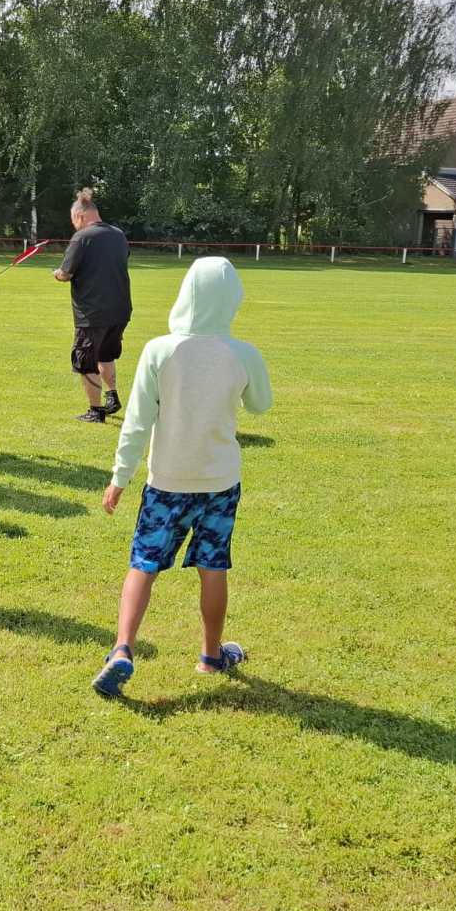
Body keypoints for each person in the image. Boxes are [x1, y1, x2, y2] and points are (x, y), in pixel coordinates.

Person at [90, 257, 272, 698]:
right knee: (214, 566)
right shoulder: (243, 353)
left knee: (143, 564)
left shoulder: (159, 349)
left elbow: (137, 422)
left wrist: (119, 477)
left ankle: (122, 649)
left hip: (166, 482)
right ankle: (210, 655)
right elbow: (260, 405)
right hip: (219, 482)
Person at [52, 188, 131, 423]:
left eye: (73, 220)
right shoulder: (118, 235)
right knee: (106, 354)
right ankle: (112, 396)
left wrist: (57, 274)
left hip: (92, 312)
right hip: (120, 308)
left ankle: (95, 411)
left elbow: (66, 273)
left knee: (85, 360)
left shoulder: (82, 237)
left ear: (80, 216)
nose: (74, 225)